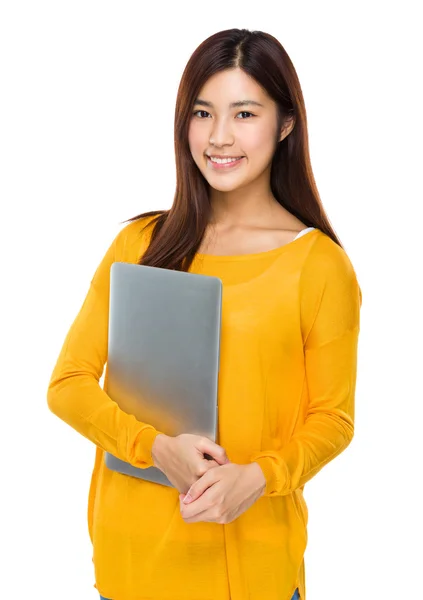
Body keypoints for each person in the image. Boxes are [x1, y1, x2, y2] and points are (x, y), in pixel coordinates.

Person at [47, 28, 362, 600]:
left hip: (253, 572)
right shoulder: (142, 244)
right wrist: (152, 446)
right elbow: (67, 385)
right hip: (131, 565)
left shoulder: (319, 266)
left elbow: (333, 419)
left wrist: (259, 476)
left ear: (285, 124)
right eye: (202, 112)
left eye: (244, 113)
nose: (219, 137)